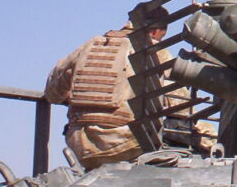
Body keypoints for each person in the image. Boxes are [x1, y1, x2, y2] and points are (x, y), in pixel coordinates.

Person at [45, 15, 202, 168]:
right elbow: (181, 109)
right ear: (154, 32)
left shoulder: (90, 46)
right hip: (127, 145)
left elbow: (52, 94)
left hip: (79, 145)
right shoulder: (154, 51)